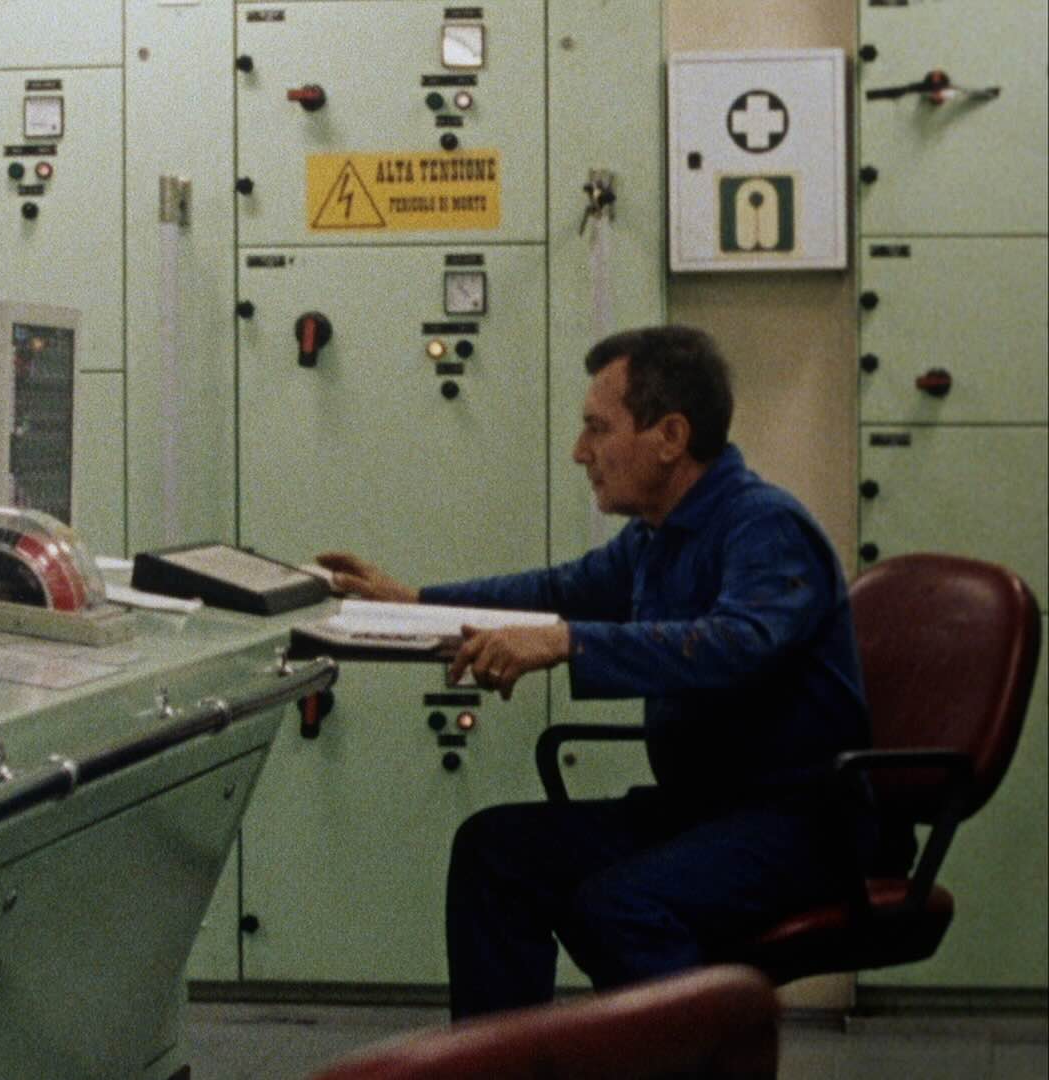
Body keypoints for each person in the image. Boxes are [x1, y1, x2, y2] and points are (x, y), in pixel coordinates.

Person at [317, 325, 889, 1020]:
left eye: (597, 428)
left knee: (619, 905)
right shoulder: (655, 536)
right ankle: (505, 1065)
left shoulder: (765, 527)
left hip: (800, 825)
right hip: (702, 812)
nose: (579, 451)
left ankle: (704, 1057)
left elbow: (737, 644)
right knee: (497, 852)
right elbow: (556, 593)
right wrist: (417, 605)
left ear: (670, 436)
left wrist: (566, 643)